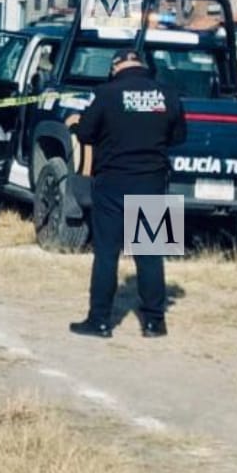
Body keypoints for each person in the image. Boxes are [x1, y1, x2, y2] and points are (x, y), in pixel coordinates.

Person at [67, 49, 186, 339]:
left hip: (113, 182)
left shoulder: (106, 93)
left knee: (107, 253)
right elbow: (179, 136)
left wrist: (74, 123)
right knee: (150, 254)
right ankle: (154, 323)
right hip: (153, 181)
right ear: (142, 66)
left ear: (116, 66)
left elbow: (86, 135)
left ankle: (100, 322)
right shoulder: (167, 94)